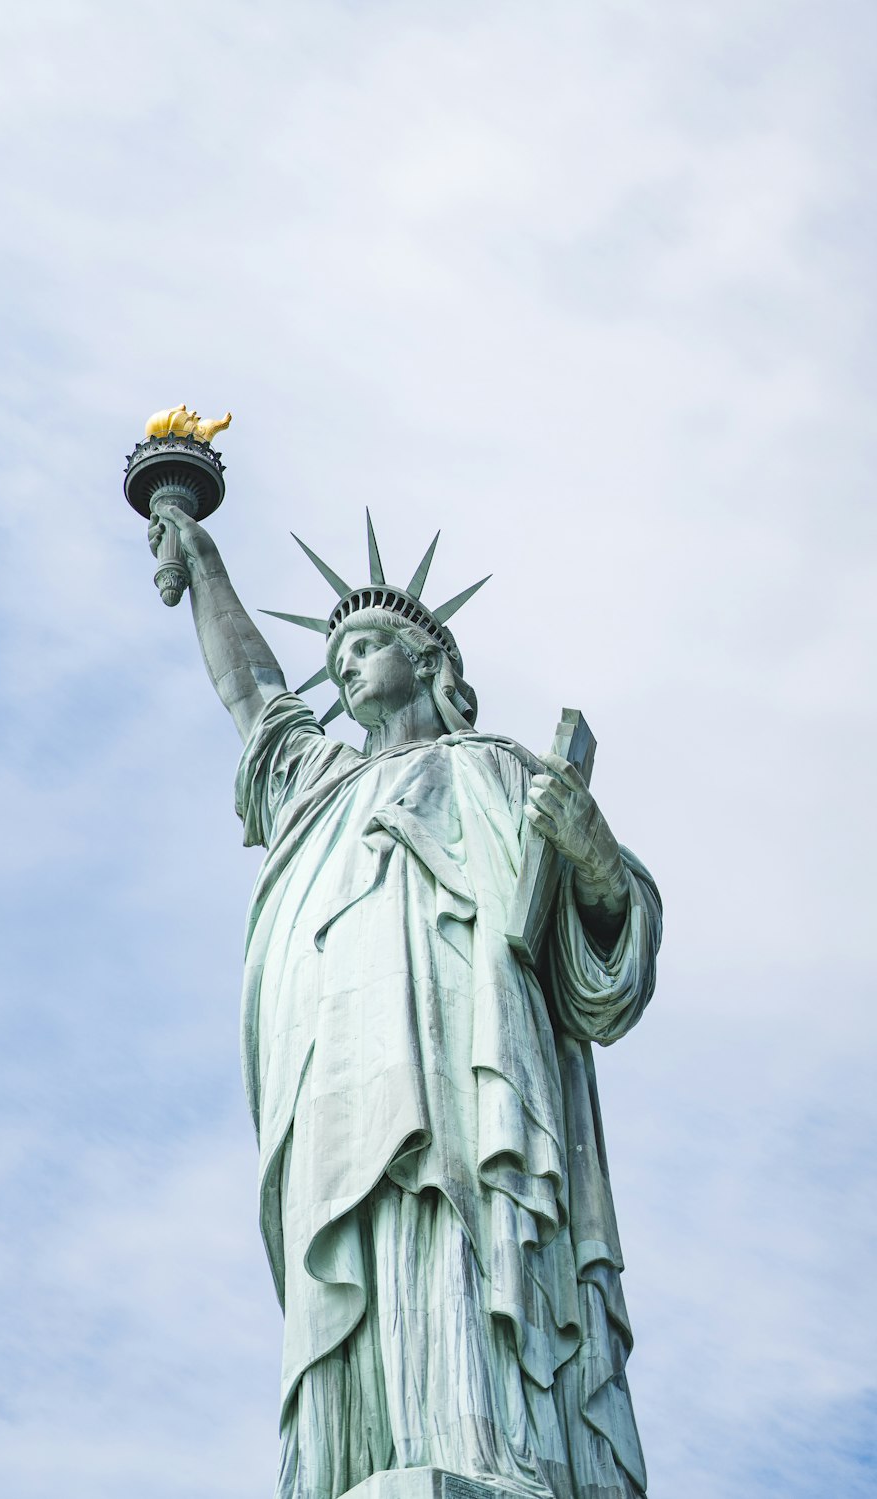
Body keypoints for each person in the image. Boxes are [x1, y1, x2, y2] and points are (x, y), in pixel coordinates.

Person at [147, 503, 662, 1499]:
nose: (343, 667)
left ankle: (493, 1444)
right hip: (340, 1075)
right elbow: (256, 695)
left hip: (473, 1063)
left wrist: (591, 854)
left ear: (426, 659)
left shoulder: (501, 771)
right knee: (365, 1254)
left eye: (366, 644)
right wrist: (205, 560)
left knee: (464, 1236)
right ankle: (364, 1455)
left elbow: (604, 957)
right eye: (335, 652)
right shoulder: (320, 787)